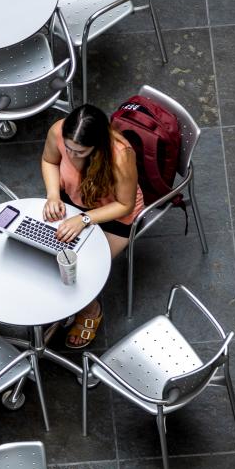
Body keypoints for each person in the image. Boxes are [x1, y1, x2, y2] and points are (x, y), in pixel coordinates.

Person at [40, 103, 144, 349]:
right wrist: (53, 194)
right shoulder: (58, 131)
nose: (72, 155)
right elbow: (49, 161)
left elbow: (125, 205)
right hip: (74, 200)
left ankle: (90, 310)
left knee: (81, 270)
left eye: (80, 151)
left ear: (97, 146)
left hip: (114, 215)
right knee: (48, 254)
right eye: (69, 148)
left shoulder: (120, 156)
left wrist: (84, 219)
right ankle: (65, 304)